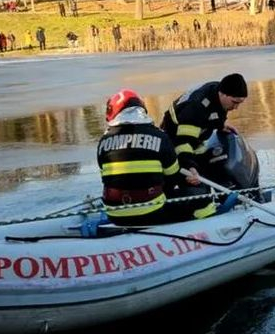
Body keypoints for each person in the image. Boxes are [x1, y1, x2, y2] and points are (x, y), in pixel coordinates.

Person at [97, 89, 215, 226]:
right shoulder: (159, 137)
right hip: (152, 213)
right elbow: (173, 176)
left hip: (114, 215)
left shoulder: (103, 141)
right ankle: (199, 231)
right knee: (203, 196)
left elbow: (107, 177)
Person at [160, 73, 248, 179]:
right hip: (174, 135)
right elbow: (183, 143)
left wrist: (220, 125)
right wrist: (190, 167)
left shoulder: (216, 90)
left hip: (194, 132)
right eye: (234, 102)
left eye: (239, 103)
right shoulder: (196, 109)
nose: (236, 107)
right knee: (192, 173)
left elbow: (216, 112)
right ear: (223, 94)